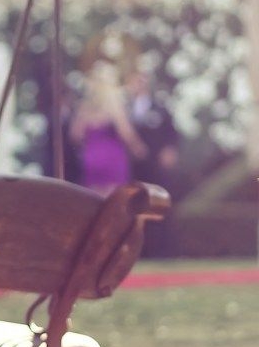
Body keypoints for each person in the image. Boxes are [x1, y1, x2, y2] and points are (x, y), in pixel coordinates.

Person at [71, 62, 146, 195]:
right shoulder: (114, 105)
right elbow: (125, 132)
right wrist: (138, 148)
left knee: (93, 201)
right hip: (113, 159)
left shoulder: (85, 108)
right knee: (113, 202)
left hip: (91, 159)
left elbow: (75, 135)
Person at [127, 70, 180, 255]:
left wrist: (169, 151)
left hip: (156, 168)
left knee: (158, 206)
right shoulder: (125, 108)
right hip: (132, 169)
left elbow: (172, 133)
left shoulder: (160, 108)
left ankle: (162, 251)